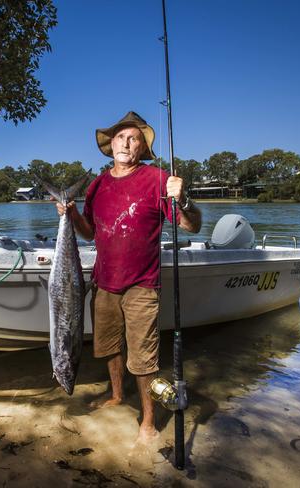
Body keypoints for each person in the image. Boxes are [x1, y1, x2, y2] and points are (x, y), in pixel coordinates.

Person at [56, 111, 202, 445]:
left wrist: (186, 199)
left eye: (133, 138)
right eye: (120, 137)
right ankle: (117, 396)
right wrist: (73, 213)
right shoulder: (98, 184)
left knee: (143, 356)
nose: (125, 142)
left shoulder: (156, 179)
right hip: (104, 282)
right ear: (110, 146)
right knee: (108, 346)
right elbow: (90, 233)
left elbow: (191, 226)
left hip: (142, 284)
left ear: (141, 148)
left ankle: (148, 420)